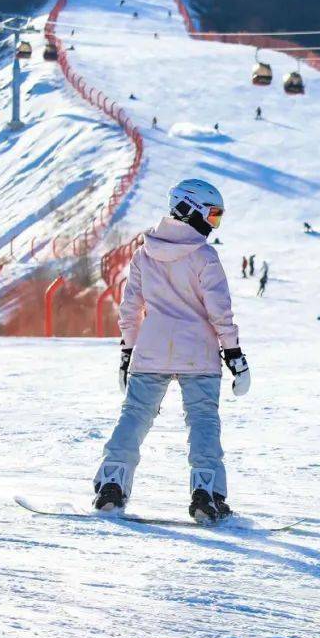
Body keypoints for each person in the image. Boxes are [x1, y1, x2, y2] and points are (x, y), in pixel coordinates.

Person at [91, 179, 251, 523]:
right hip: (199, 354)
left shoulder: (143, 253)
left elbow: (130, 308)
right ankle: (206, 492)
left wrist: (128, 351)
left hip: (151, 349)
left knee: (134, 415)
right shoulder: (205, 256)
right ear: (190, 209)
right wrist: (234, 354)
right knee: (204, 420)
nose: (213, 223)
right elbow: (220, 311)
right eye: (212, 214)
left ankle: (112, 483)